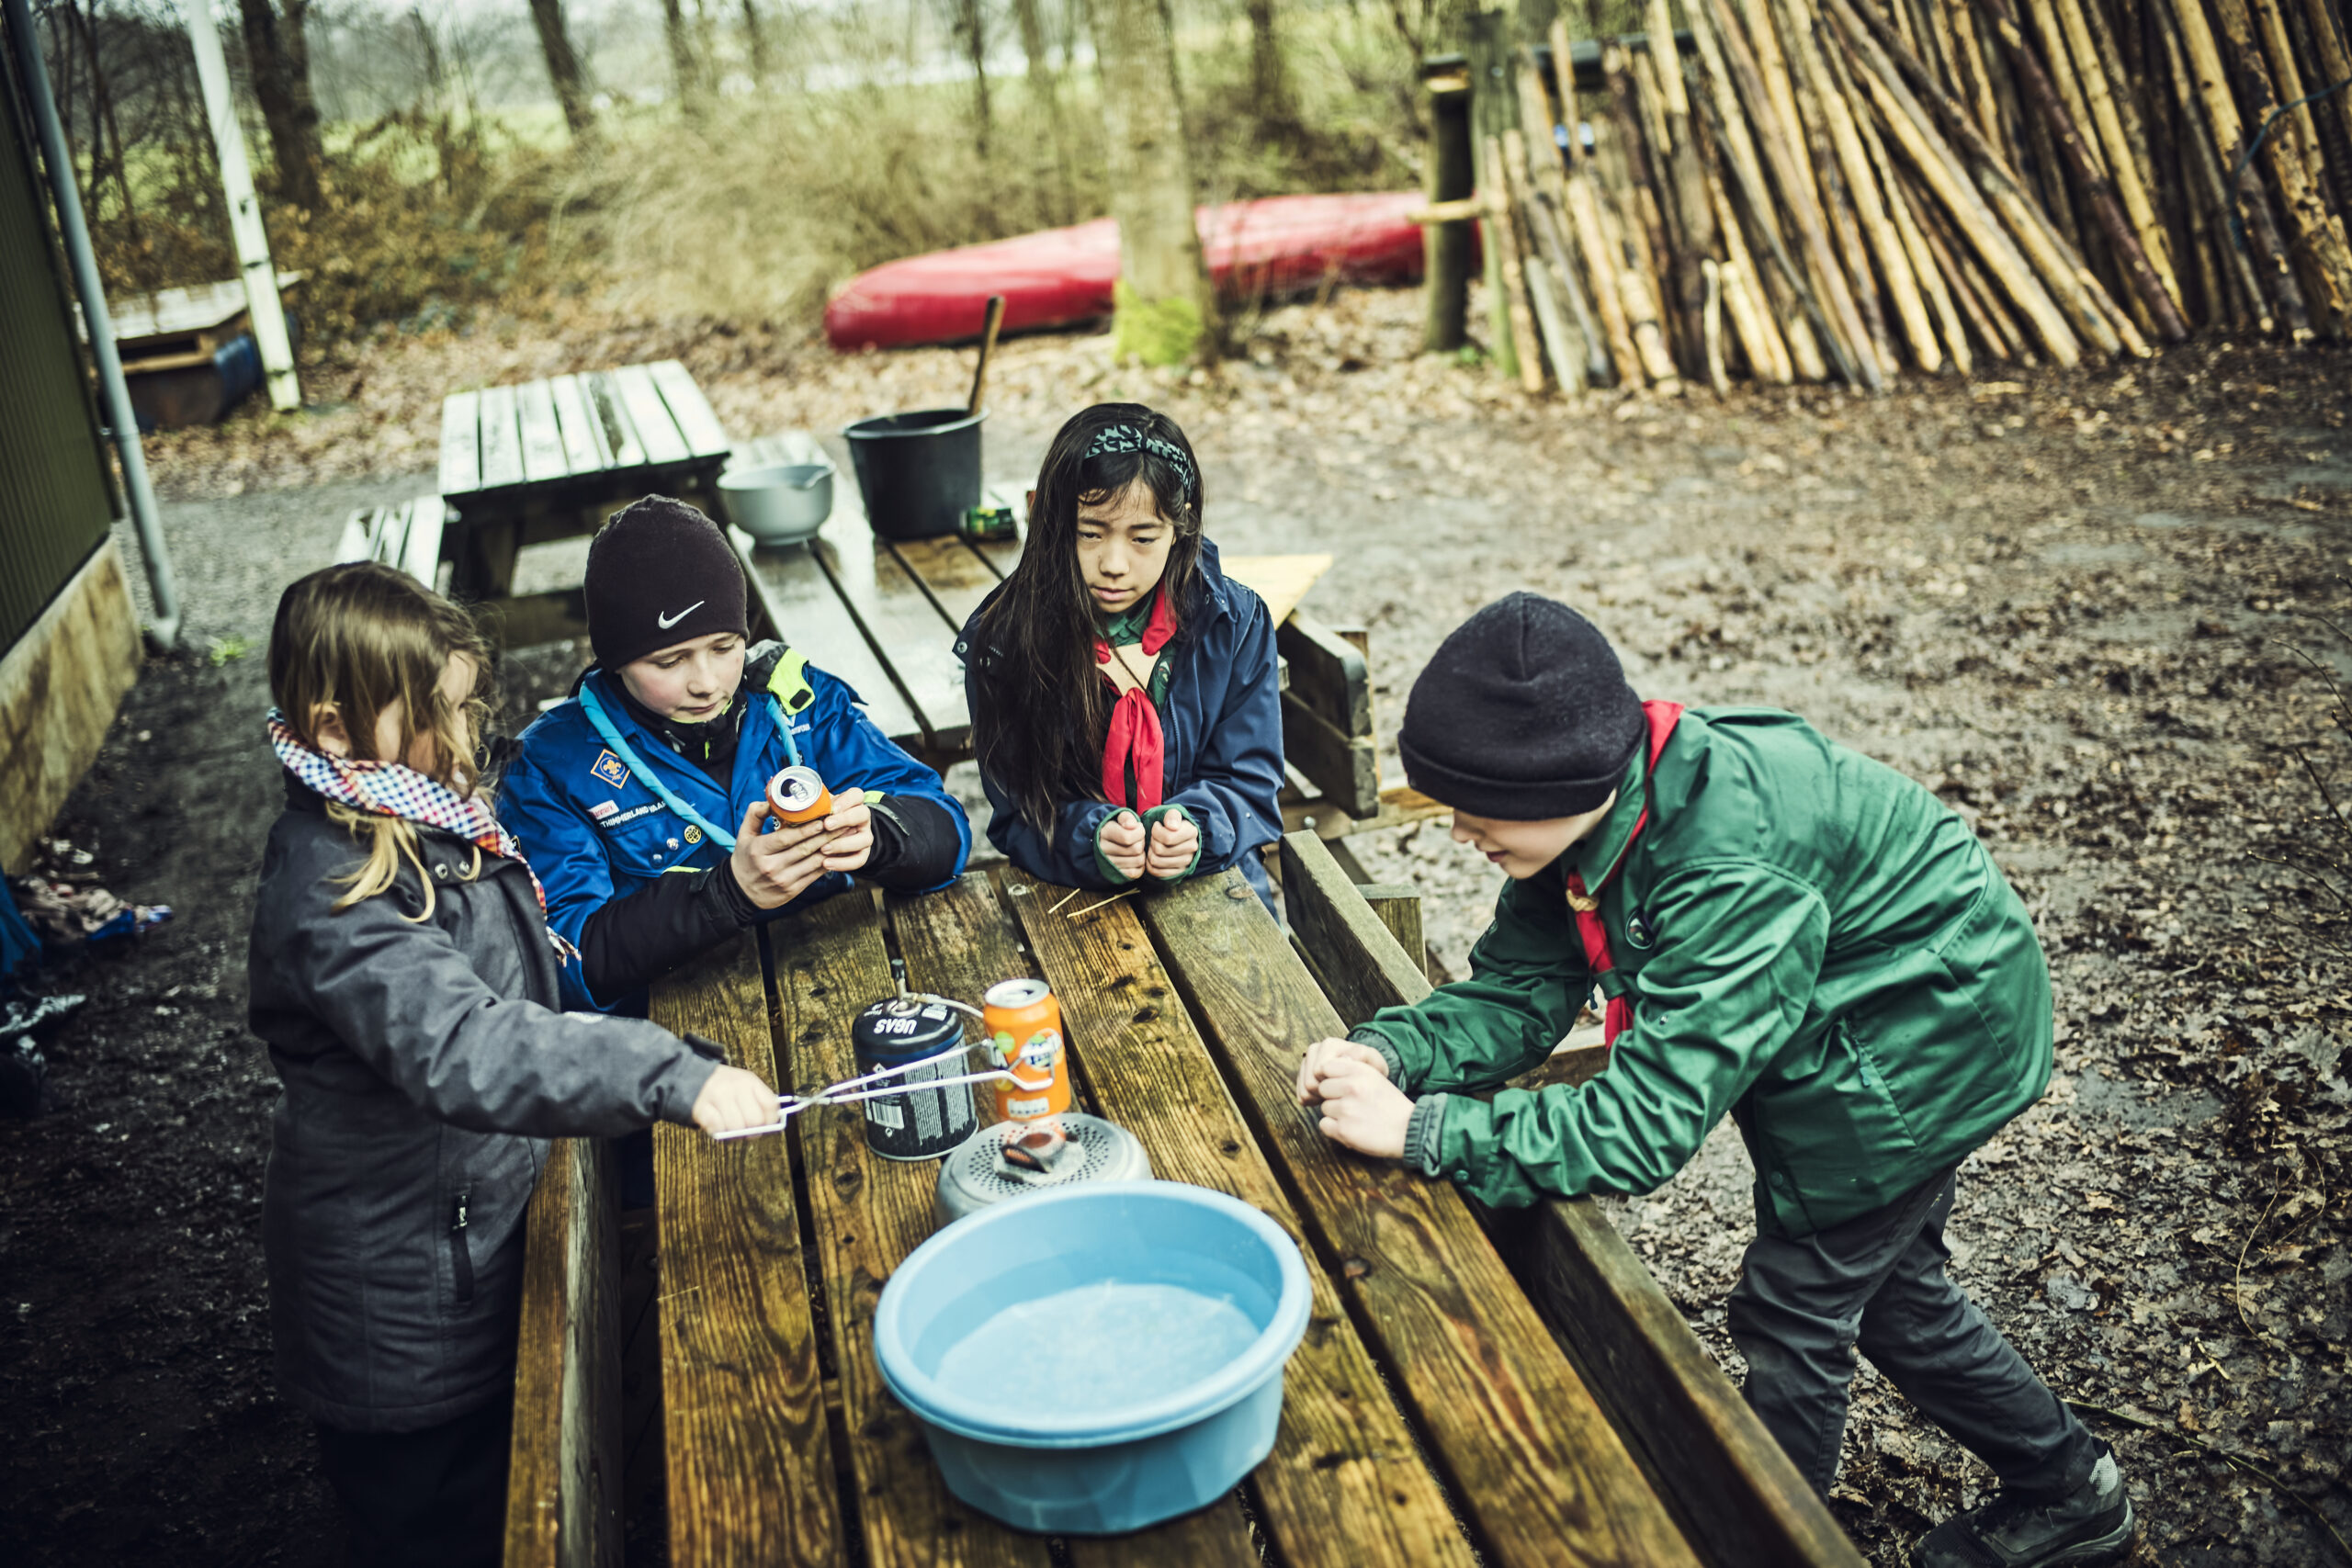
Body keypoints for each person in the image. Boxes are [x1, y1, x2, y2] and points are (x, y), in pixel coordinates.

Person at [1295, 593, 2136, 1568]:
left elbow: (1644, 1127)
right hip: (1858, 1010)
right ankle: (2072, 1494)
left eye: (1476, 812)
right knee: (1896, 1294)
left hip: (1921, 1041)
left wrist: (1428, 1133)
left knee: (1796, 1309)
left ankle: (1757, 1539)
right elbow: (1525, 990)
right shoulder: (1581, 817)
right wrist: (1393, 1053)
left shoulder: (1724, 868)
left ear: (1560, 784)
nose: (1455, 830)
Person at [248, 562, 778, 1567]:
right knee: (452, 1526)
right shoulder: (335, 893)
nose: (465, 739)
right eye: (439, 715)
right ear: (333, 730)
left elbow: (529, 963)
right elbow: (468, 1043)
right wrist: (667, 1073)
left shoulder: (416, 811)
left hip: (466, 1228)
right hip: (405, 1301)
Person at [498, 495, 970, 1015]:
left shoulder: (798, 700)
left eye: (724, 647)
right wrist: (725, 896)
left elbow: (946, 829)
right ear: (615, 662)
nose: (706, 683)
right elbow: (561, 965)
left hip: (843, 994)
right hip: (678, 1045)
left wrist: (878, 838)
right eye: (669, 660)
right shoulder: (550, 765)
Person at [956, 404, 1283, 904]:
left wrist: (1197, 832)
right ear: (1053, 521)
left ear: (1182, 526)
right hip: (1074, 899)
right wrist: (1091, 840)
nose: (1113, 564)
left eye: (1143, 538)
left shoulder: (1234, 624)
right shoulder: (1006, 640)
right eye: (1090, 532)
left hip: (1220, 891)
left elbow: (1251, 787)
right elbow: (1016, 815)